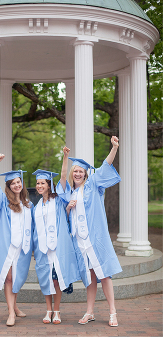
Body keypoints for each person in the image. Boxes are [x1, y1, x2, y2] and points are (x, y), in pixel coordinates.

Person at [57, 136, 121, 327]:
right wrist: (68, 207)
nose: (77, 174)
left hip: (95, 239)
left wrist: (114, 148)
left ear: (85, 174)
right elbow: (66, 213)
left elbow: (104, 166)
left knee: (104, 274)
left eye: (80, 171)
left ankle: (112, 312)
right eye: (75, 171)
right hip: (80, 241)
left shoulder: (93, 185)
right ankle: (90, 312)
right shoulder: (70, 192)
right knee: (89, 276)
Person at [31, 169, 81, 325]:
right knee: (46, 280)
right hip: (42, 250)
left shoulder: (58, 200)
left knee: (57, 280)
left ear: (49, 185)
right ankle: (48, 310)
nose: (39, 186)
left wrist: (65, 157)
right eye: (38, 183)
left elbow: (64, 178)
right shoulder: (36, 206)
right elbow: (34, 230)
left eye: (42, 183)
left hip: (57, 248)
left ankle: (57, 310)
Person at [0, 155, 32, 327]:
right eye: (12, 183)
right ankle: (10, 312)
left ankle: (15, 306)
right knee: (8, 278)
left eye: (18, 182)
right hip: (8, 247)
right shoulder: (3, 202)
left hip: (23, 247)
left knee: (17, 278)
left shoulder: (28, 204)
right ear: (8, 186)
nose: (16, 185)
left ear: (22, 184)